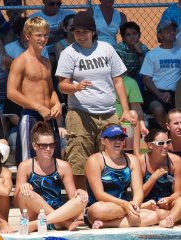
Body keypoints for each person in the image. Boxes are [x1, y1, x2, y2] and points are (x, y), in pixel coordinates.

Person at [56, 11, 135, 190]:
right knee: (79, 160)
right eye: (77, 31)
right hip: (80, 113)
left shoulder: (106, 49)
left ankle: (107, 197)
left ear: (92, 32)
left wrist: (126, 109)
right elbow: (62, 85)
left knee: (111, 157)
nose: (81, 35)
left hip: (108, 113)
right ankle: (81, 203)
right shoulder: (69, 53)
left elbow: (118, 80)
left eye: (84, 31)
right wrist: (76, 87)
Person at [7, 17, 62, 165]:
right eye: (38, 35)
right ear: (27, 35)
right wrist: (38, 107)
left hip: (48, 116)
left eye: (45, 35)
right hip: (30, 116)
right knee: (28, 164)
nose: (42, 39)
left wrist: (57, 103)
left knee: (52, 162)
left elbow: (50, 90)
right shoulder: (20, 61)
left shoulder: (46, 61)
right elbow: (11, 92)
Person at [15, 122, 88, 232]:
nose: (48, 149)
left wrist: (80, 192)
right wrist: (23, 187)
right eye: (43, 145)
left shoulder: (63, 166)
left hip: (58, 212)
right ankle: (61, 223)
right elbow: (16, 201)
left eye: (51, 145)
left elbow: (73, 197)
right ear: (34, 146)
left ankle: (41, 223)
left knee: (82, 198)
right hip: (35, 215)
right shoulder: (25, 166)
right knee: (25, 193)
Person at [85, 124, 159, 229]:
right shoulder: (94, 160)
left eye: (121, 137)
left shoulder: (132, 160)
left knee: (153, 216)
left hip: (124, 207)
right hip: (102, 208)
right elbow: (99, 194)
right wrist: (126, 205)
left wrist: (135, 205)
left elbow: (138, 191)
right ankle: (138, 208)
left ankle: (105, 224)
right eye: (113, 138)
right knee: (97, 209)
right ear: (103, 141)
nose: (118, 141)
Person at [140, 20, 181, 129]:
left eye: (173, 30)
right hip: (155, 92)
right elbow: (146, 79)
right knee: (158, 110)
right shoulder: (152, 54)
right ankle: (168, 133)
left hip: (176, 93)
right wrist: (160, 94)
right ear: (160, 35)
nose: (172, 32)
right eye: (168, 31)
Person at [139, 129, 181, 228]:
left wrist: (169, 199)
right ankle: (175, 216)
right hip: (149, 206)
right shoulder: (140, 162)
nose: (166, 146)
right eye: (161, 143)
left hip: (168, 204)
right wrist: (154, 177)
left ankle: (168, 219)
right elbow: (138, 194)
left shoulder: (176, 161)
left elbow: (178, 192)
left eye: (168, 142)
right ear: (150, 145)